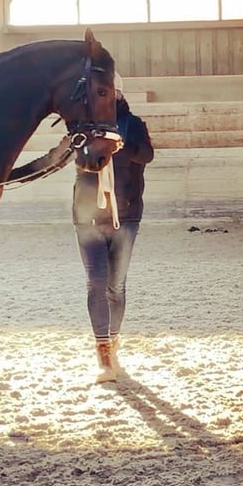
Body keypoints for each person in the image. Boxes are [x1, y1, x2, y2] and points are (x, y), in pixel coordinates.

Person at [72, 72, 154, 383]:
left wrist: (122, 146)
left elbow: (147, 155)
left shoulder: (134, 125)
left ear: (118, 94)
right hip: (88, 215)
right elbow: (76, 158)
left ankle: (113, 340)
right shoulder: (82, 127)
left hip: (127, 214)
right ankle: (103, 353)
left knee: (115, 286)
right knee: (96, 280)